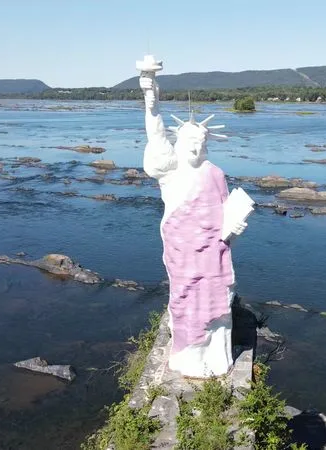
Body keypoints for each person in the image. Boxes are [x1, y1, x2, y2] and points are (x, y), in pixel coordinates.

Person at [139, 64, 247, 378]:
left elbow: (227, 217)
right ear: (179, 143)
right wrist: (151, 102)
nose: (196, 148)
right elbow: (156, 135)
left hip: (213, 254)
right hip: (182, 251)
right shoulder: (171, 169)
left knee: (213, 299)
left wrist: (236, 228)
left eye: (201, 143)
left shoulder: (215, 173)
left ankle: (213, 351)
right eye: (190, 143)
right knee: (186, 299)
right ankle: (188, 354)